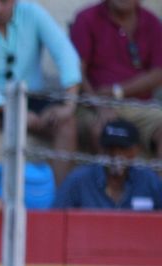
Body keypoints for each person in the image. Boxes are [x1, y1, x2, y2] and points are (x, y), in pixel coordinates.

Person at [0, 0, 82, 185]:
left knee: (66, 123)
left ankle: (60, 202)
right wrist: (13, 111)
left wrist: (69, 105)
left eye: (4, 2)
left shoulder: (33, 13)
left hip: (32, 97)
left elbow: (65, 53)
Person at [72, 0, 162, 156]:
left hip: (141, 107)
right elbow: (75, 72)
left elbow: (158, 73)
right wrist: (99, 105)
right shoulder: (86, 18)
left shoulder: (152, 22)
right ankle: (105, 181)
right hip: (93, 105)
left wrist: (117, 91)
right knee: (101, 131)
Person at [54, 118, 162, 210]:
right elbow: (56, 218)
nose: (116, 154)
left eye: (123, 148)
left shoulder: (149, 181)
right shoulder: (79, 180)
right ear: (102, 149)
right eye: (110, 148)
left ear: (136, 150)